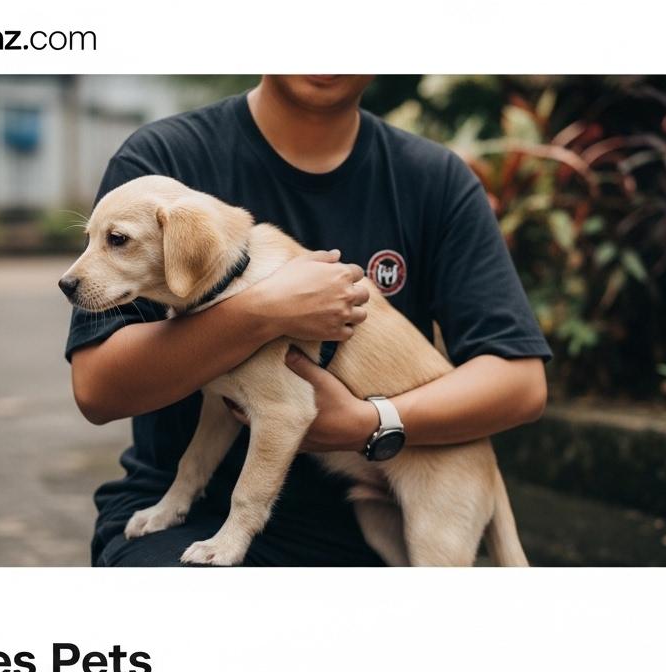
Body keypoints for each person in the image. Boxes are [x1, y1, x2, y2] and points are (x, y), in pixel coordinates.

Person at [67, 75, 550, 566]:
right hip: (190, 524)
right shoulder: (162, 161)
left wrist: (368, 423)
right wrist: (264, 311)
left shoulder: (435, 178)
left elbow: (522, 383)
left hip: (413, 476)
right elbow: (97, 391)